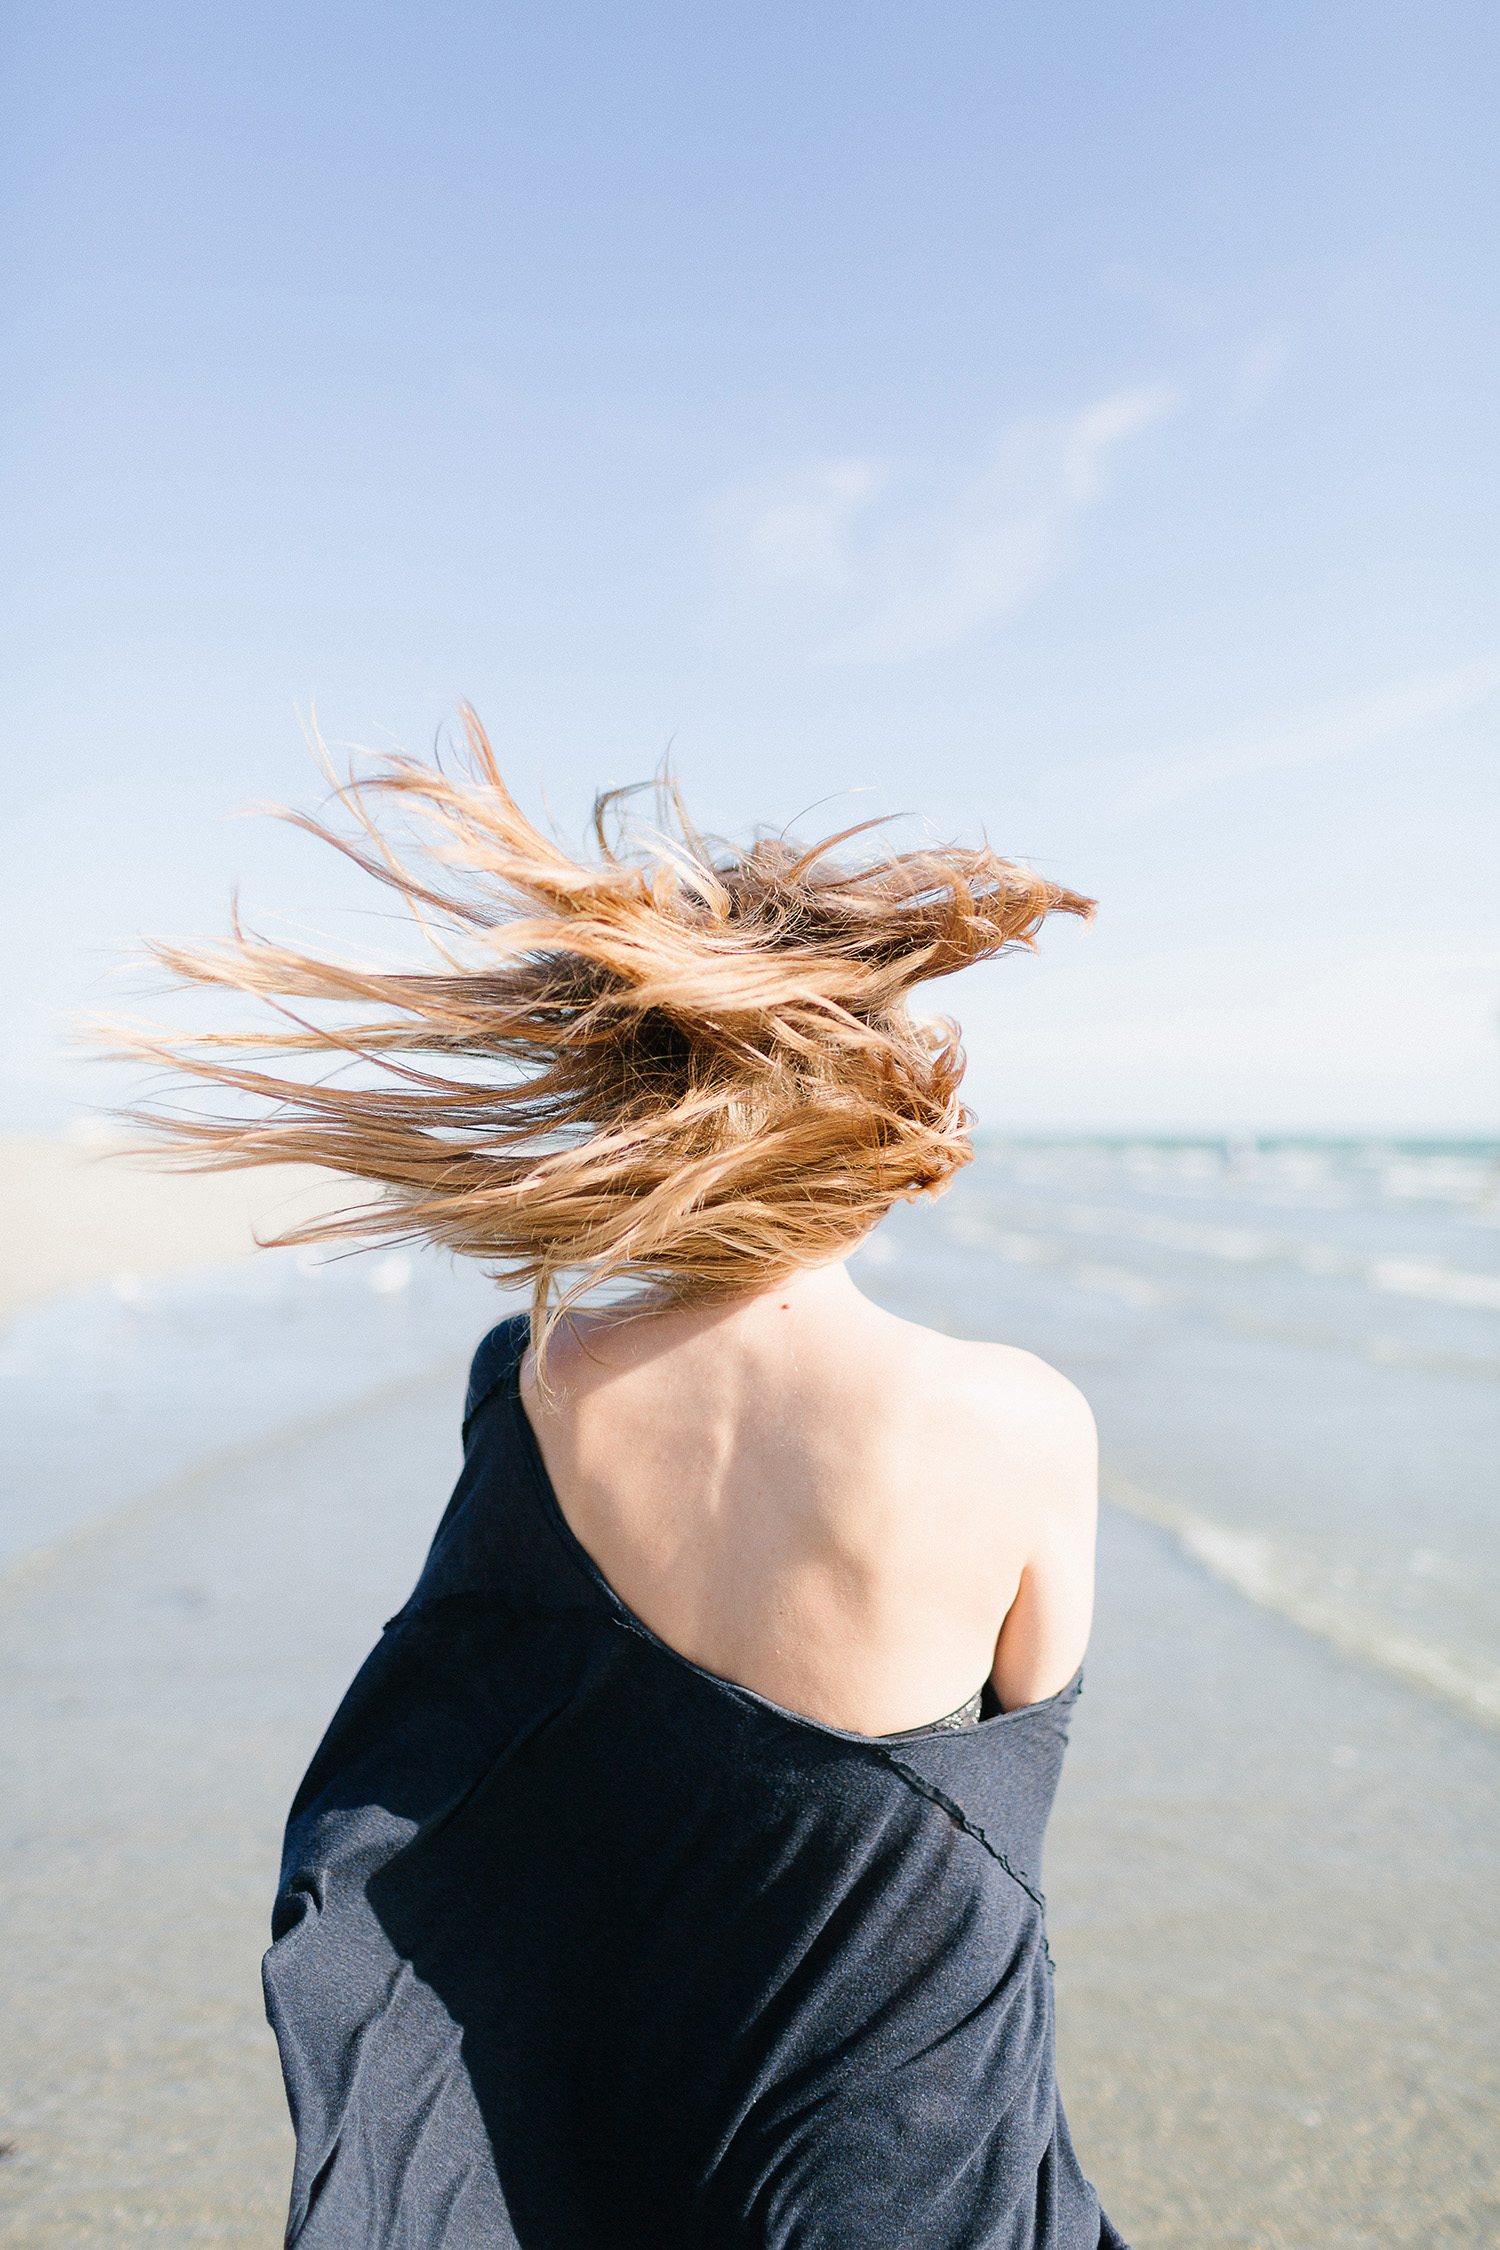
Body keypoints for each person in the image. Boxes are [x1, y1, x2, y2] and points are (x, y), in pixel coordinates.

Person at [121, 715, 1125, 2247]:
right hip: (895, 2116)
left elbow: (490, 1698)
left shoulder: (541, 1375)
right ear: (885, 1118)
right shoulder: (1018, 1417)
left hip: (637, 2083)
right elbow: (1015, 1765)